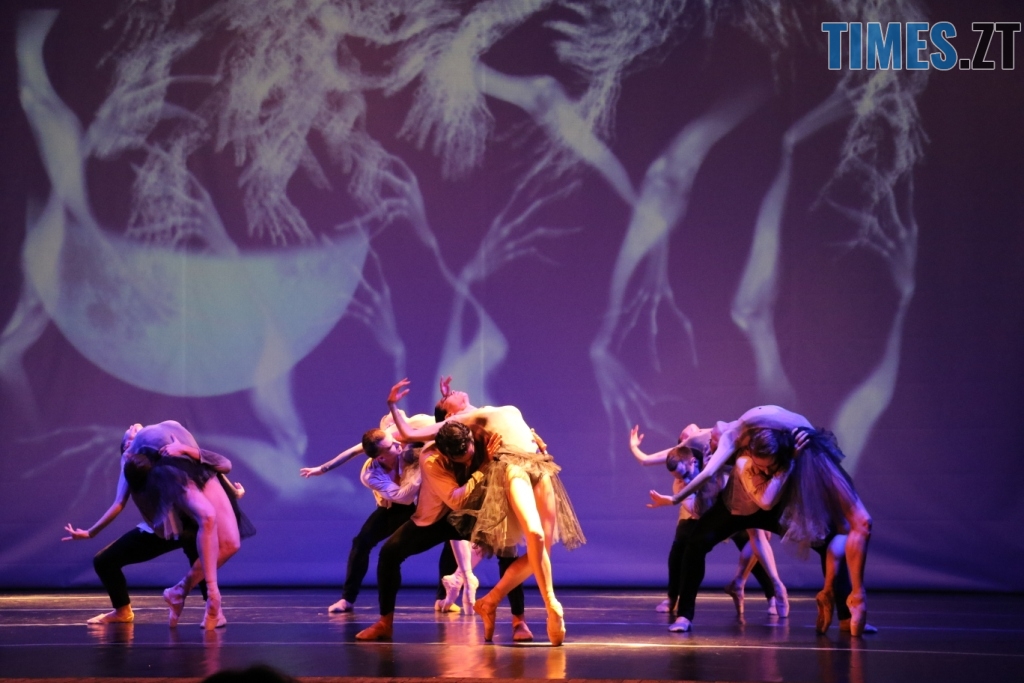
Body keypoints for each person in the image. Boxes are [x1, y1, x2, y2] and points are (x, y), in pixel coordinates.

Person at [380, 378, 585, 646]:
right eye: (445, 400)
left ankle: (496, 605)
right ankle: (549, 607)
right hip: (497, 479)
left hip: (537, 467)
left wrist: (533, 445)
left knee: (538, 549)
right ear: (451, 418)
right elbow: (406, 434)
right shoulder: (460, 425)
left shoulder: (480, 417)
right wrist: (392, 405)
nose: (453, 392)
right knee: (530, 537)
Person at [648, 406, 872, 636]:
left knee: (829, 543)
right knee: (695, 542)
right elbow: (688, 455)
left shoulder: (779, 444)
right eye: (760, 467)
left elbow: (769, 500)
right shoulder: (732, 440)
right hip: (737, 507)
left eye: (769, 466)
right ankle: (684, 615)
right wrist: (660, 479)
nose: (764, 471)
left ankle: (848, 616)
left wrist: (792, 458)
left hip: (773, 506)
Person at [63, 421, 247, 628]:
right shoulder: (131, 461)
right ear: (128, 448)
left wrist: (234, 492)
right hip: (164, 527)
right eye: (129, 435)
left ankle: (209, 606)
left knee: (206, 549)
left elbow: (207, 467)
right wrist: (90, 533)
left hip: (189, 521)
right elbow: (118, 503)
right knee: (103, 561)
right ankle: (124, 610)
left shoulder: (164, 445)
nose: (132, 427)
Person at [629, 425, 786, 624]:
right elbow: (648, 461)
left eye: (693, 433)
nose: (689, 435)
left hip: (726, 504)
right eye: (684, 437)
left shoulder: (712, 445)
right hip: (700, 511)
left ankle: (765, 590)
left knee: (754, 537)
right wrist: (634, 447)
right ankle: (673, 599)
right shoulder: (681, 471)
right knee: (683, 546)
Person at [300, 418, 426, 613]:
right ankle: (347, 598)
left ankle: (445, 597)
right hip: (398, 506)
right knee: (361, 543)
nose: (397, 443)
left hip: (425, 503)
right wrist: (420, 470)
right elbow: (404, 498)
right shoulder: (370, 474)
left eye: (393, 439)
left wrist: (323, 468)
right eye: (391, 446)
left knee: (454, 537)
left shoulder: (401, 441)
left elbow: (352, 451)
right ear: (380, 458)